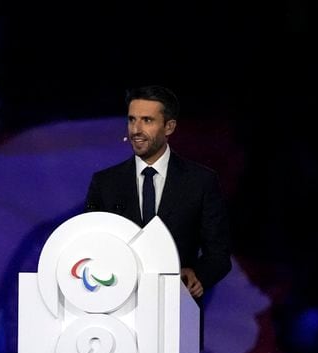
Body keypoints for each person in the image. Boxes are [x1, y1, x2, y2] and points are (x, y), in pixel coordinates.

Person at [85, 84, 231, 298]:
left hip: (178, 308)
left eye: (147, 120)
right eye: (132, 119)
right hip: (116, 308)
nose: (136, 130)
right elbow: (88, 244)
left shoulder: (200, 181)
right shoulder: (105, 183)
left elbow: (219, 254)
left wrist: (197, 275)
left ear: (169, 127)